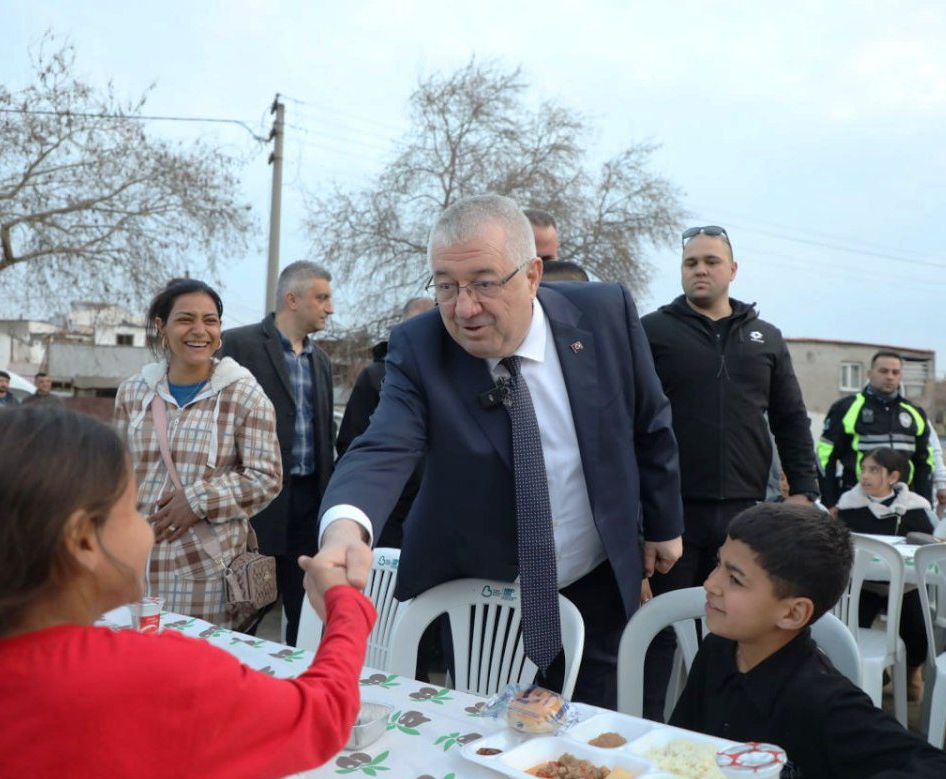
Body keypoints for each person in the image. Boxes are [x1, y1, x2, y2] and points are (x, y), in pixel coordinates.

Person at [0, 407, 375, 779]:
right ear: (82, 540)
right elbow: (324, 712)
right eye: (133, 508)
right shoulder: (161, 677)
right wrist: (343, 607)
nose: (148, 524)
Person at [317, 194, 683, 709]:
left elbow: (649, 418)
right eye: (446, 286)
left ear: (532, 274)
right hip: (483, 590)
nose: (464, 308)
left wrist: (664, 523)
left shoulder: (605, 314)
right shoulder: (420, 348)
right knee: (483, 738)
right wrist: (344, 530)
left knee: (588, 738)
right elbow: (382, 445)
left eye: (484, 284)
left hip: (596, 574)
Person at [669, 504, 946, 779]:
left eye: (735, 578)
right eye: (717, 565)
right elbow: (675, 746)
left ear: (792, 614)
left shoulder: (824, 699)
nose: (711, 583)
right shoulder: (717, 649)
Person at [640, 224, 818, 719]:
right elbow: (630, 421)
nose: (700, 269)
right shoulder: (653, 331)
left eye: (710, 261)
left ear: (732, 270)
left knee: (734, 634)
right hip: (672, 517)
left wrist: (803, 490)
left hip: (746, 516)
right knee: (661, 635)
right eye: (690, 262)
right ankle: (649, 730)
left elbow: (790, 418)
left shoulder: (766, 338)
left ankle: (722, 735)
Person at [115, 279, 282, 626]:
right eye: (185, 319)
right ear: (162, 326)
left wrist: (199, 499)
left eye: (210, 320)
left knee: (197, 673)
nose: (199, 331)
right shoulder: (133, 393)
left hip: (205, 578)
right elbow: (117, 476)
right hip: (136, 571)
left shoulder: (243, 394)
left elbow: (267, 478)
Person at [220, 261, 336, 644]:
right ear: (292, 299)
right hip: (258, 507)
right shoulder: (238, 345)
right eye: (321, 298)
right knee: (248, 611)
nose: (329, 308)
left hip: (308, 506)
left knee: (305, 615)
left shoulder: (320, 361)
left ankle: (299, 695)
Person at [335, 296, 433, 549]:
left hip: (432, 510)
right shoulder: (375, 377)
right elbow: (351, 444)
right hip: (386, 508)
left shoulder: (447, 376)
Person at [834, 447, 932, 700]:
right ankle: (868, 672)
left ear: (893, 477)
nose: (865, 476)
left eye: (874, 470)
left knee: (918, 634)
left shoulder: (914, 508)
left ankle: (911, 673)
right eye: (863, 469)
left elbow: (926, 543)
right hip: (863, 585)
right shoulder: (850, 505)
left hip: (904, 586)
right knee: (849, 632)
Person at [818, 351, 939, 510]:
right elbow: (824, 457)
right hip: (857, 501)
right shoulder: (846, 408)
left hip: (904, 502)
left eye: (895, 372)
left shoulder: (914, 412)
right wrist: (830, 503)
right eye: (883, 371)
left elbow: (925, 462)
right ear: (869, 374)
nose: (890, 376)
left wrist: (925, 505)